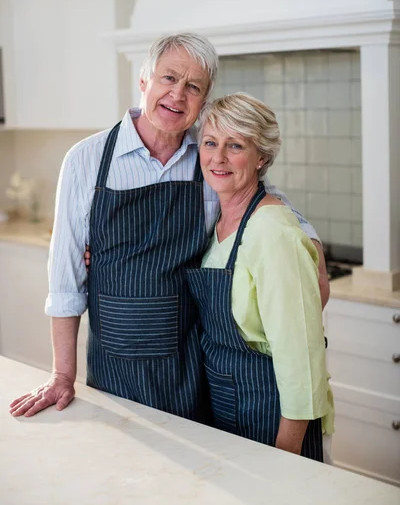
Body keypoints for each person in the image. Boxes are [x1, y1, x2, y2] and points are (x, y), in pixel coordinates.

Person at [9, 33, 329, 421]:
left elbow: (264, 198)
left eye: (193, 86)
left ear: (204, 100)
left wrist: (309, 240)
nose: (178, 95)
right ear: (144, 81)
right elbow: (64, 280)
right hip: (113, 366)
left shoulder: (210, 154)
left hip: (190, 366)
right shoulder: (86, 160)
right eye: (169, 78)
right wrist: (63, 374)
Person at [186, 93, 334, 460]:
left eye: (235, 145)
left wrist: (288, 451)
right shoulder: (217, 220)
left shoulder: (272, 231)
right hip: (228, 406)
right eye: (210, 143)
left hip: (274, 413)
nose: (218, 157)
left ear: (261, 158)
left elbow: (300, 354)